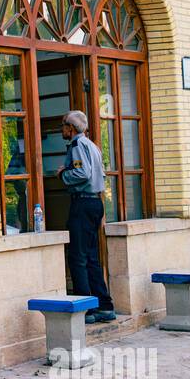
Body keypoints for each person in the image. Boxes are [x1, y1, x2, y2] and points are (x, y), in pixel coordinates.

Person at [57, 110, 116, 323]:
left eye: (63, 126)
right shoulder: (93, 145)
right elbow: (100, 173)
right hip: (94, 202)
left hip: (82, 202)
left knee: (78, 257)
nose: (61, 130)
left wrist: (63, 173)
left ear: (70, 128)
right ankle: (104, 305)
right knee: (91, 257)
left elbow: (83, 173)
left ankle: (86, 309)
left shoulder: (77, 146)